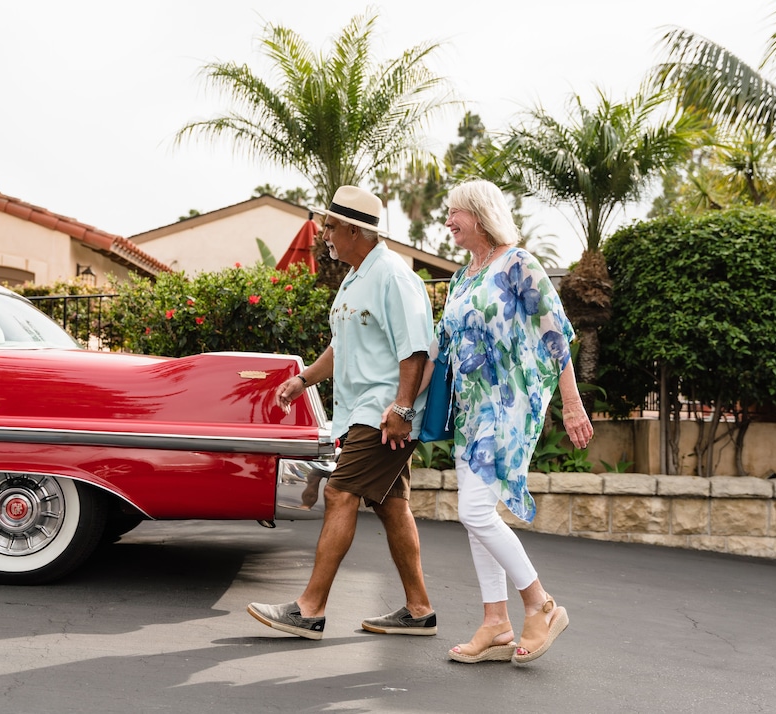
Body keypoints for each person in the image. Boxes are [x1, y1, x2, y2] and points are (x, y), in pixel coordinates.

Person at [247, 185, 437, 640]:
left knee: (339, 493)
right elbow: (343, 345)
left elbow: (416, 350)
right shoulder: (355, 278)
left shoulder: (393, 275)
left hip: (384, 413)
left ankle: (309, 609)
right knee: (392, 505)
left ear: (356, 230)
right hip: (360, 412)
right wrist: (304, 378)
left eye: (331, 226)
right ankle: (419, 610)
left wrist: (403, 408)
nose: (325, 232)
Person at [437, 179, 593, 665]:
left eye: (454, 213)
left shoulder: (517, 264)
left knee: (475, 512)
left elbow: (556, 335)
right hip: (470, 407)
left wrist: (571, 403)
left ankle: (540, 605)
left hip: (509, 406)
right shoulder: (465, 276)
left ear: (479, 214)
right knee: (476, 520)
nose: (447, 222)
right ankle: (495, 621)